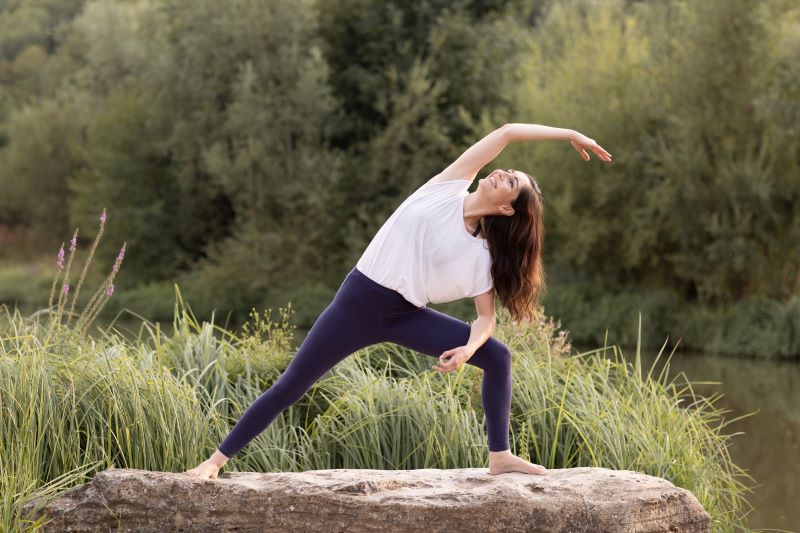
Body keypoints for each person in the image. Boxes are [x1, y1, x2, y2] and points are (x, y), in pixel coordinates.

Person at [184, 122, 612, 480]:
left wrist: (468, 350)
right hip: (358, 300)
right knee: (291, 385)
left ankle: (499, 457)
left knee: (497, 356)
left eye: (512, 183)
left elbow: (486, 321)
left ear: (506, 209)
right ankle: (215, 462)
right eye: (508, 172)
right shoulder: (447, 186)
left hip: (405, 314)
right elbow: (507, 132)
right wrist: (568, 134)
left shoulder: (483, 257)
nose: (504, 174)